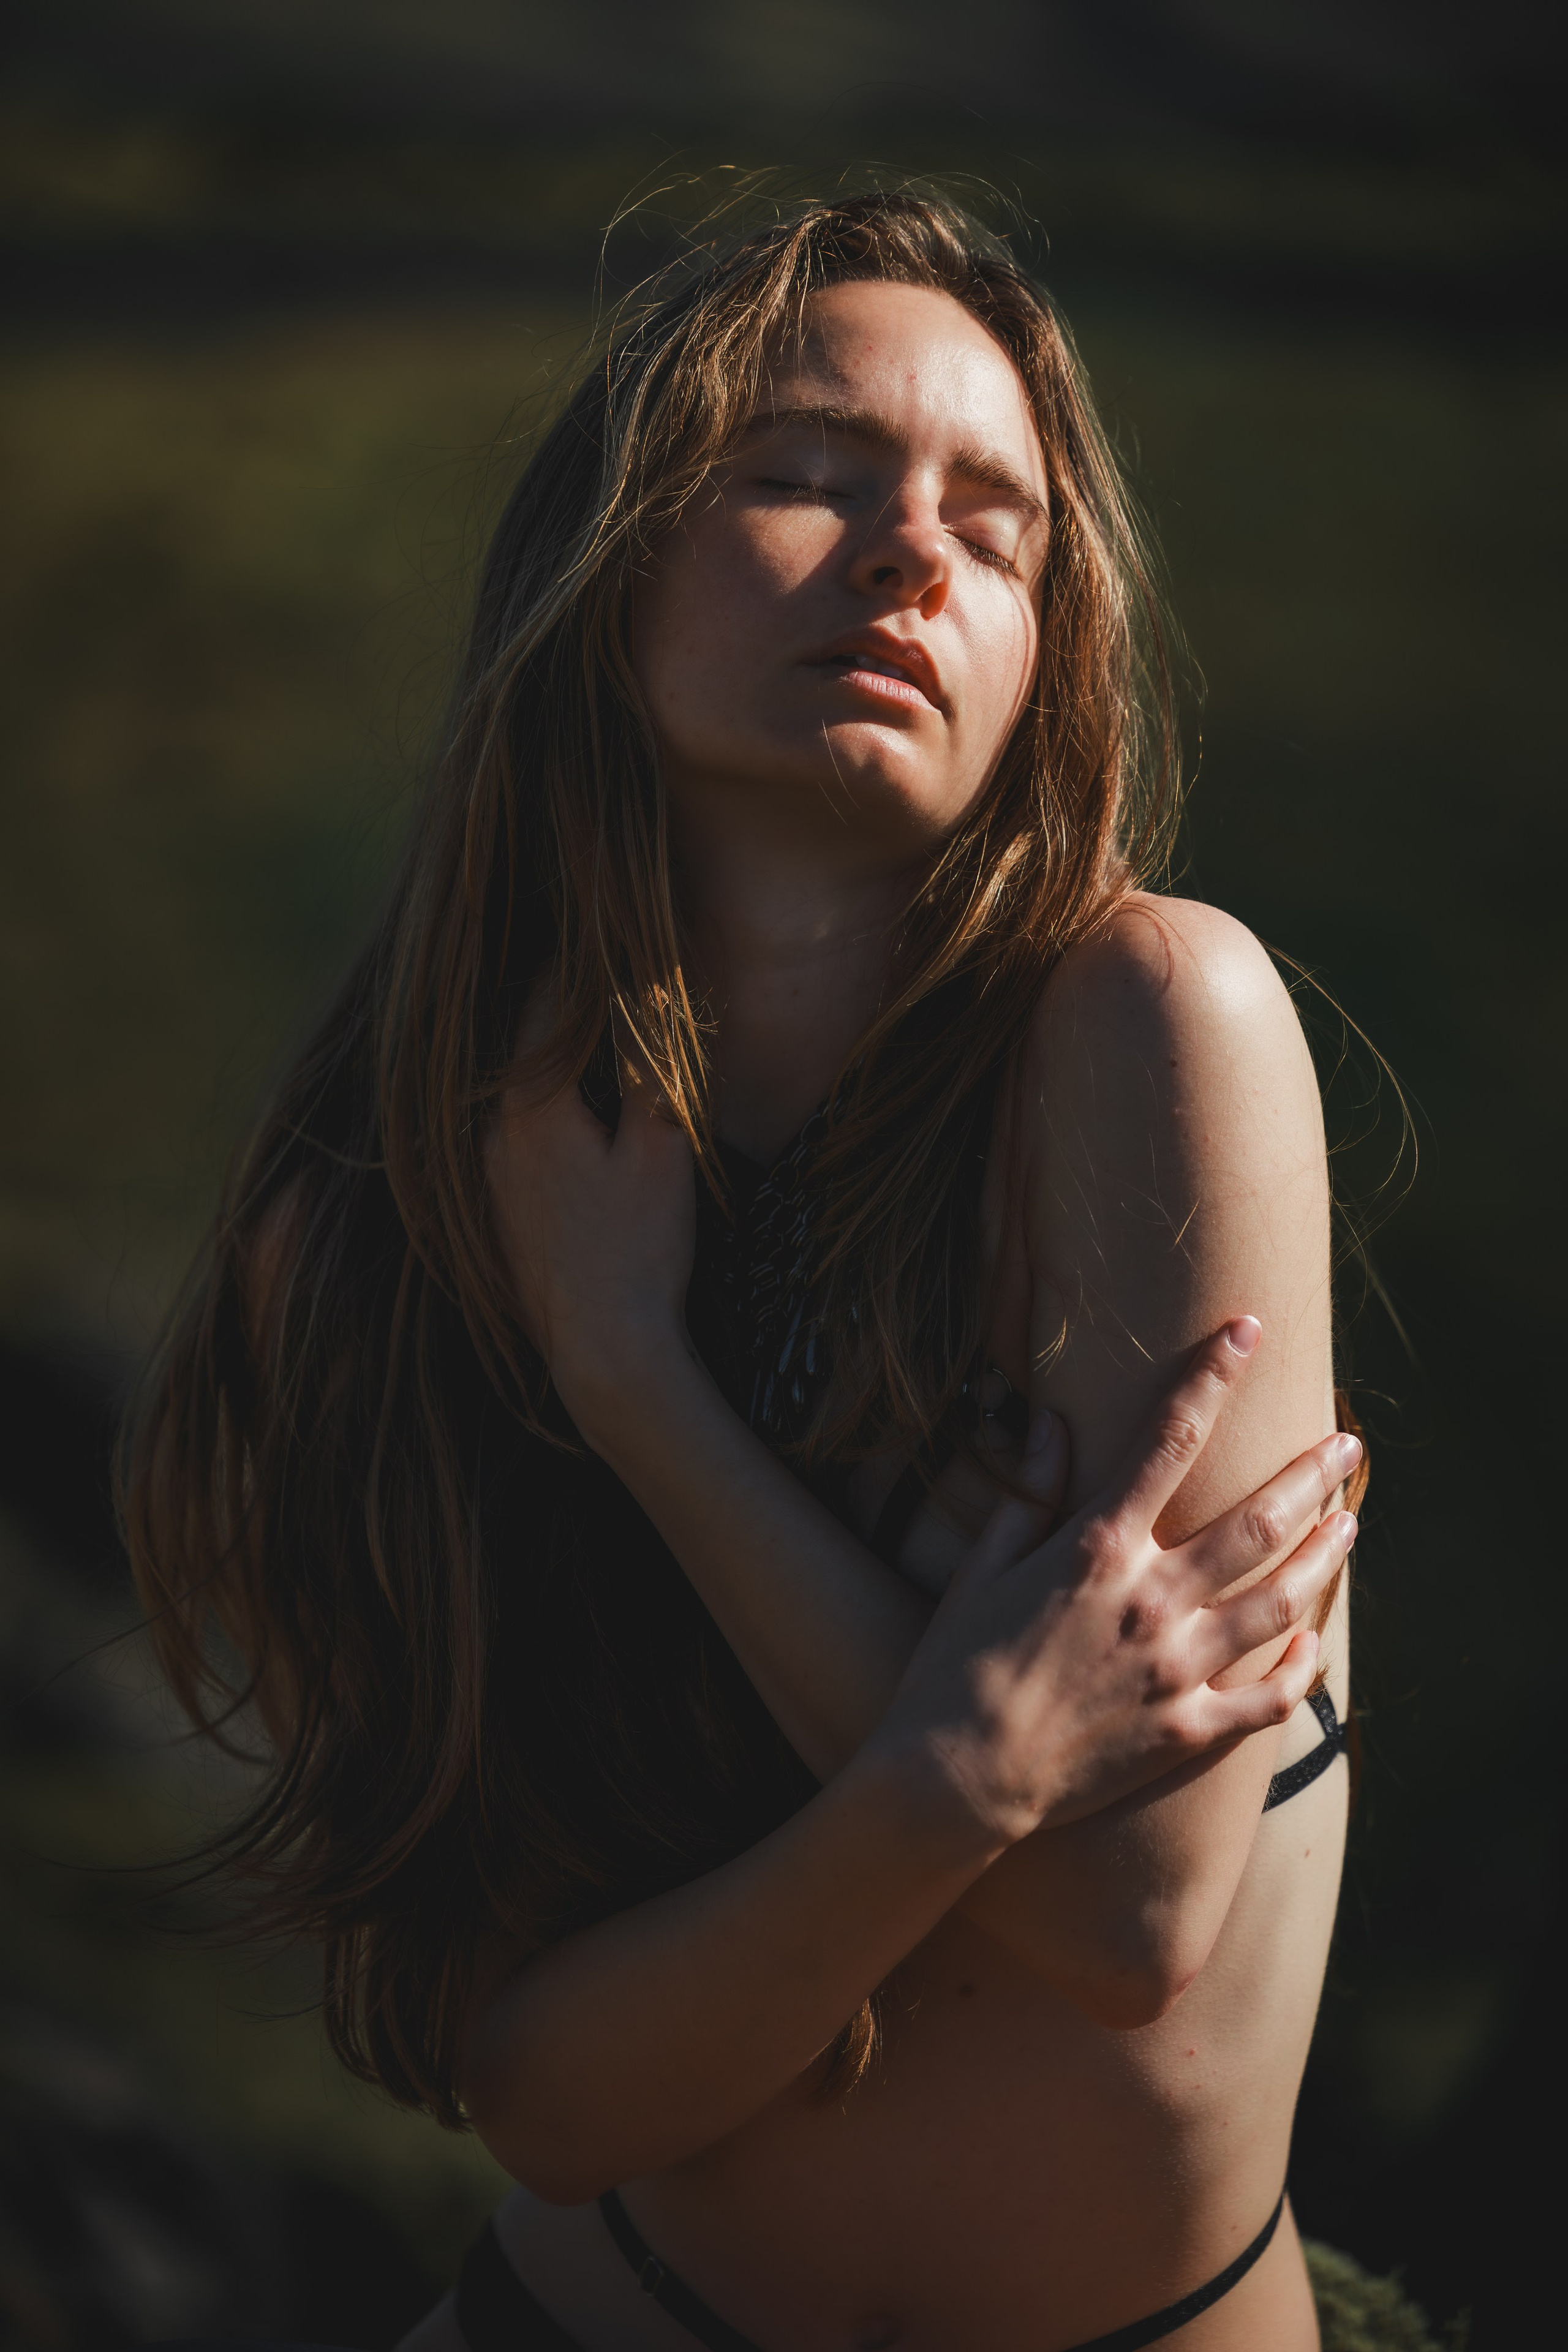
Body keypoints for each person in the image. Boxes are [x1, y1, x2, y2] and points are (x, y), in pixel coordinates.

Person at [124, 194, 1370, 2350]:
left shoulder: (1149, 1027)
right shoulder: (382, 1221)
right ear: (600, 578)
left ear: (1045, 654)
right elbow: (533, 2091)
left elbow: (1121, 1908)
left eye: (999, 529)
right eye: (802, 473)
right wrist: (956, 1768)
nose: (912, 554)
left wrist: (650, 1404)